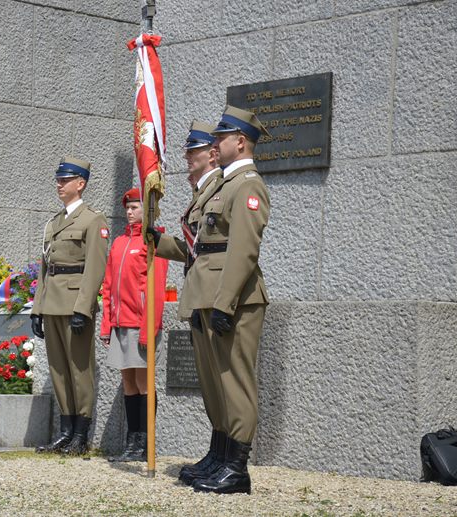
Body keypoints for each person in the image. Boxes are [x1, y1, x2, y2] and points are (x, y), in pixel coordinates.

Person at [153, 106, 271, 494]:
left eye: (222, 138)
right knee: (215, 384)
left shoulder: (248, 185)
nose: (216, 145)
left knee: (234, 381)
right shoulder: (223, 185)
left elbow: (242, 250)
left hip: (233, 299)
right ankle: (220, 455)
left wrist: (224, 302)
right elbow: (201, 246)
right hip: (209, 295)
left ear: (241, 141)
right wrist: (156, 241)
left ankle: (236, 468)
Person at [30, 156, 109, 455]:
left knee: (79, 369)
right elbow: (45, 268)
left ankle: (81, 434)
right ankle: (65, 431)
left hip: (75, 303)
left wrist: (83, 307)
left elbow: (94, 268)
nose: (59, 184)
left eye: (66, 180)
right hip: (51, 303)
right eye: (58, 179)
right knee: (58, 369)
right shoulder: (54, 222)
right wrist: (37, 309)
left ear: (81, 183)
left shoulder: (93, 219)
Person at [99, 188, 168, 462]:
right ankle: (133, 440)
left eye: (136, 207)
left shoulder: (153, 241)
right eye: (127, 207)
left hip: (140, 323)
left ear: (147, 210)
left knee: (143, 382)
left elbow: (156, 290)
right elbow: (107, 285)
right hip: (120, 322)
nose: (129, 212)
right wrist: (106, 324)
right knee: (128, 381)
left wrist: (147, 328)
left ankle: (146, 442)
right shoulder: (118, 242)